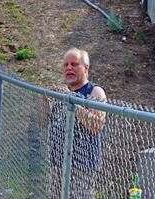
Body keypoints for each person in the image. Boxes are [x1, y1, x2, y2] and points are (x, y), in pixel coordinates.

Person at [47, 47, 107, 198]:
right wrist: (45, 102)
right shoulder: (61, 92)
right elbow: (42, 122)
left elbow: (96, 126)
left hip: (82, 165)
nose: (68, 68)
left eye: (74, 64)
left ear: (86, 68)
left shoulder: (95, 92)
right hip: (58, 162)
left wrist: (71, 100)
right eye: (66, 65)